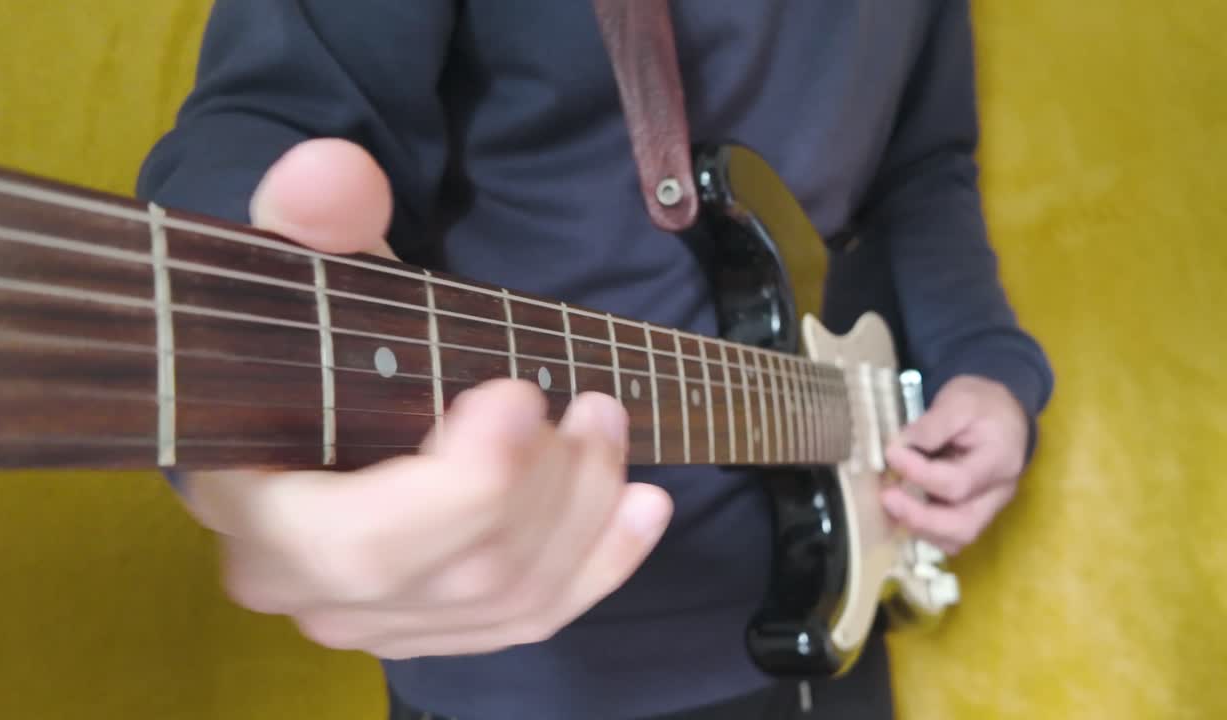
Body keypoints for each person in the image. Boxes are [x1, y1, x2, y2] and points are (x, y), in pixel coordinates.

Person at [136, 1, 1054, 718]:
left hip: (844, 593)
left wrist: (988, 366)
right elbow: (271, 121)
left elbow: (924, 172)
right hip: (542, 650)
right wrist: (239, 374)